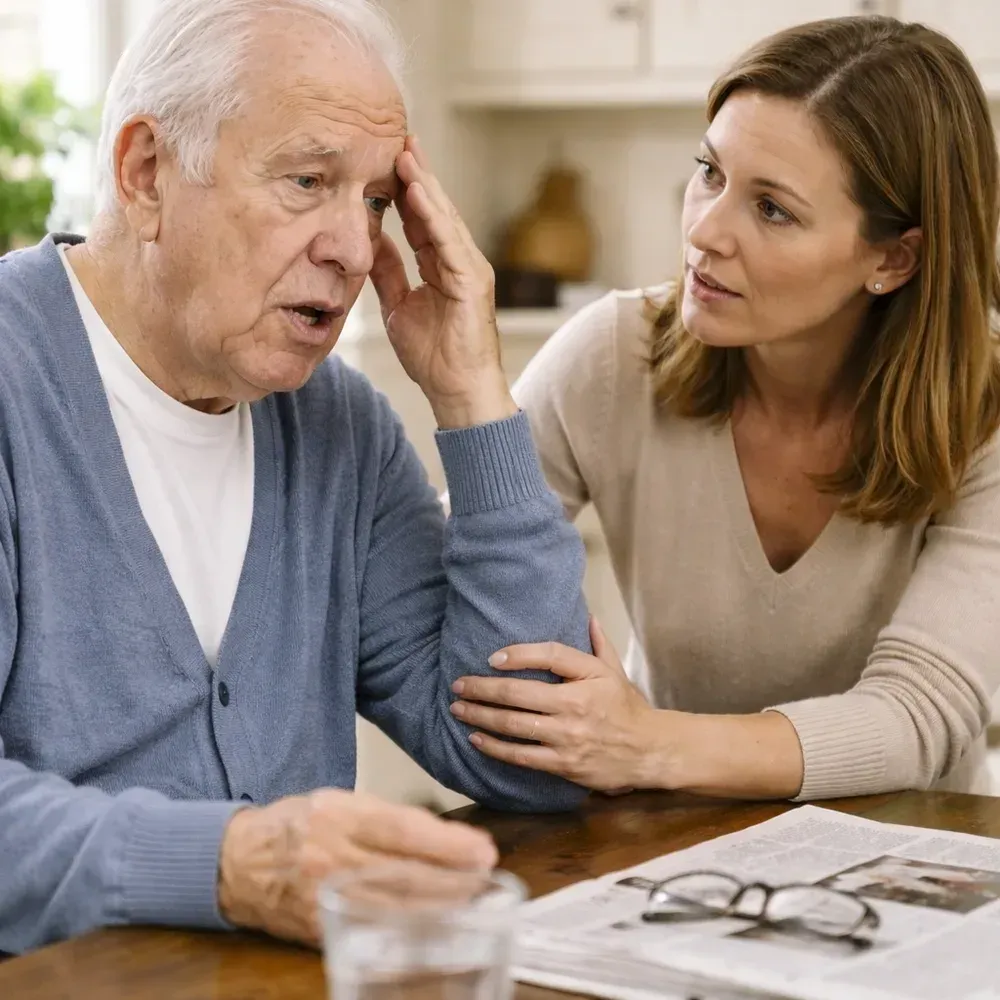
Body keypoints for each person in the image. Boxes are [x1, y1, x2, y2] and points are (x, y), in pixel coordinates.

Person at [0, 0, 592, 955]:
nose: (355, 251)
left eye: (372, 201)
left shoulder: (338, 425)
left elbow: (531, 761)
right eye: (308, 181)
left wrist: (472, 392)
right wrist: (236, 863)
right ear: (146, 173)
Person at [447, 16, 1000, 802]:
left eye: (772, 209)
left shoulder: (987, 413)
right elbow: (455, 562)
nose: (705, 232)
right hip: (672, 843)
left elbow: (914, 719)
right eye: (710, 172)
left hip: (911, 851)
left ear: (893, 258)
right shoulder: (614, 356)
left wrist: (645, 744)